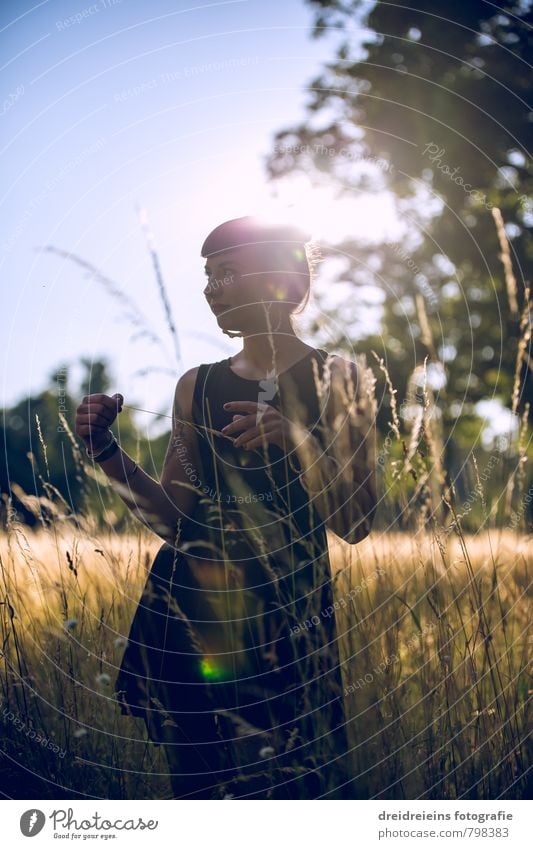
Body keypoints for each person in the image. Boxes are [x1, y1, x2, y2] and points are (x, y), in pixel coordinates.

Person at [75, 215, 377, 799]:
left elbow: (358, 522)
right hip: (192, 608)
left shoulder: (340, 378)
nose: (212, 288)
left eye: (228, 273)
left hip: (290, 611)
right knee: (200, 781)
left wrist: (299, 443)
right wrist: (106, 452)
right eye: (208, 276)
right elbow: (171, 518)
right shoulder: (196, 385)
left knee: (298, 780)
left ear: (284, 282)